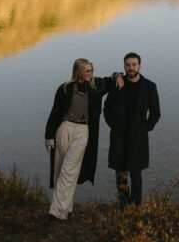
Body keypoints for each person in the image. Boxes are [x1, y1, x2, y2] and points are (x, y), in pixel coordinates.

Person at [44, 58, 123, 222]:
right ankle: (67, 210)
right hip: (64, 128)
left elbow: (112, 79)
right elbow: (55, 112)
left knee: (69, 171)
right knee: (60, 171)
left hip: (83, 131)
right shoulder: (65, 88)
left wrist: (118, 75)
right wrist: (49, 137)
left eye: (91, 70)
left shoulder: (96, 86)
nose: (90, 74)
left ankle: (55, 213)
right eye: (87, 71)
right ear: (78, 71)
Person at [104, 51, 160, 207]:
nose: (131, 67)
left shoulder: (149, 86)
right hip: (119, 136)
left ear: (140, 66)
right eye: (128, 65)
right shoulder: (118, 84)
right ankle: (123, 207)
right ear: (124, 66)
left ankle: (136, 208)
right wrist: (113, 125)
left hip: (138, 137)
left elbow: (155, 113)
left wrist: (145, 128)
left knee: (136, 175)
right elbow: (107, 107)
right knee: (120, 174)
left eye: (134, 64)